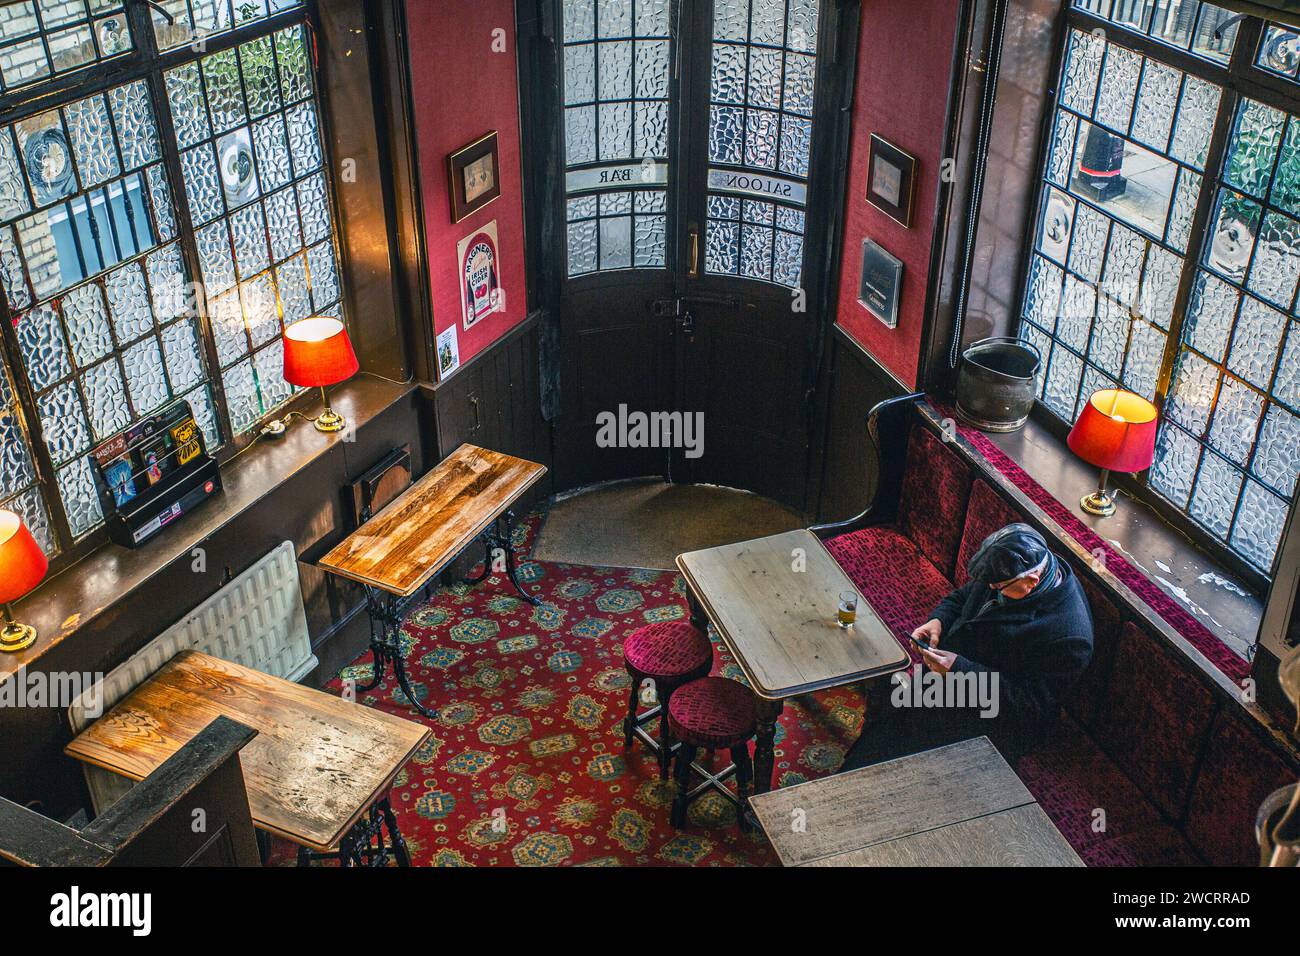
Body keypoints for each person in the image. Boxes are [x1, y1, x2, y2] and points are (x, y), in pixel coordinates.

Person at [840, 522, 1094, 772]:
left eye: (997, 587)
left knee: (900, 771)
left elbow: (1029, 707)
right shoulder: (1013, 571)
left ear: (1032, 581)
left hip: (988, 720)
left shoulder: (1070, 637)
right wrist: (937, 621)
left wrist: (959, 669)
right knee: (877, 740)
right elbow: (962, 597)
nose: (991, 590)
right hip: (942, 685)